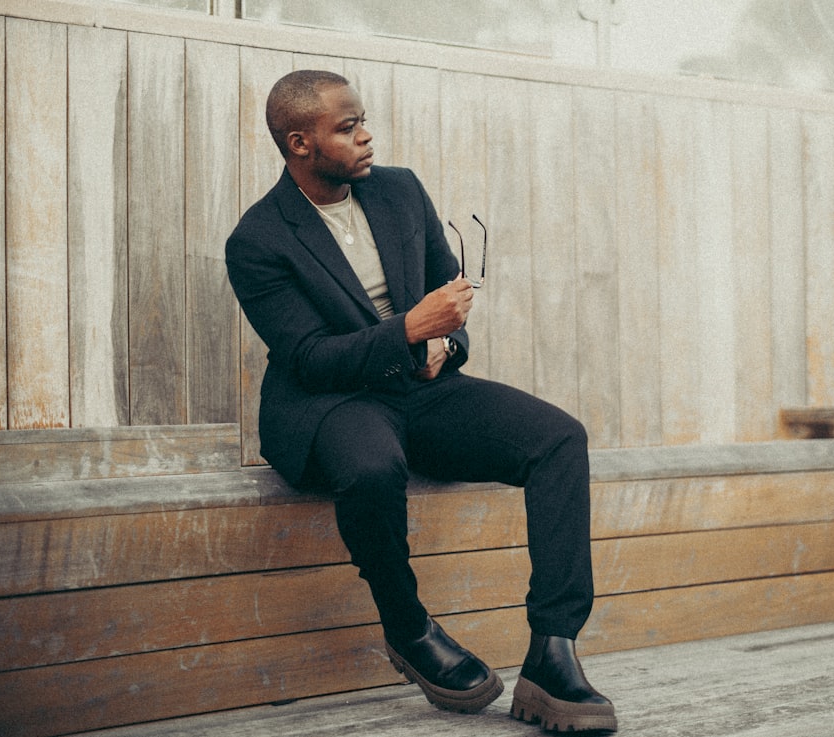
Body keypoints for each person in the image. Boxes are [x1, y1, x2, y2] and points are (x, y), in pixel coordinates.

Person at [225, 69, 617, 733]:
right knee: (374, 466)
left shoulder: (400, 191)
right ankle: (408, 627)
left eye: (363, 120)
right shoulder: (259, 239)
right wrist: (411, 329)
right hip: (332, 403)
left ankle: (554, 651)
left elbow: (445, 294)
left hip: (421, 385)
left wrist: (445, 344)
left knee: (559, 438)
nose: (366, 135)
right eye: (346, 128)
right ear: (299, 142)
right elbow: (311, 359)